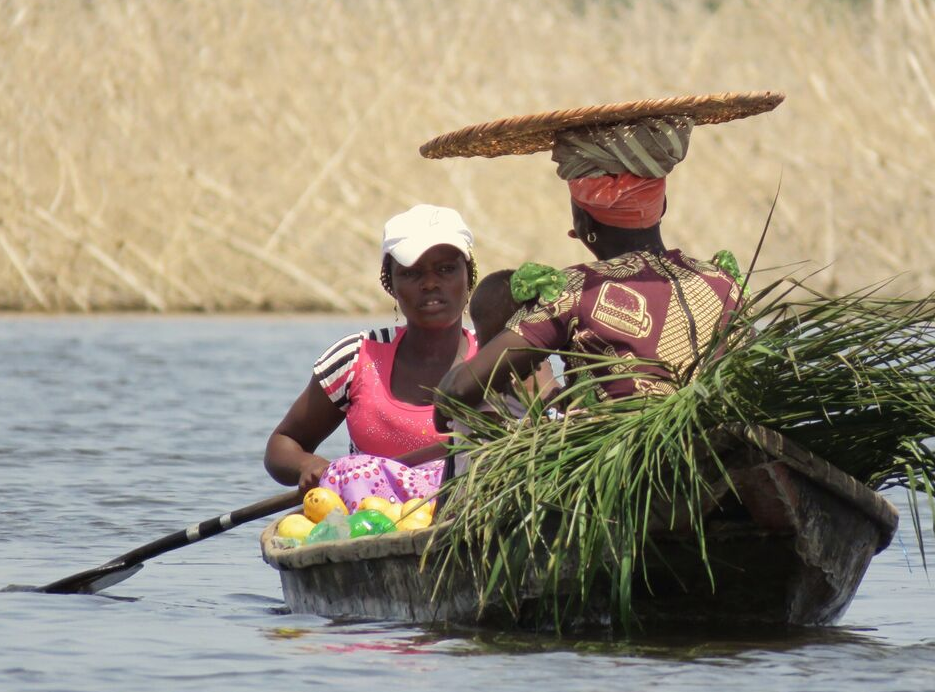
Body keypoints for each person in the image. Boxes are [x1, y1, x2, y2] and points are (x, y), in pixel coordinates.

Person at [434, 114, 743, 429]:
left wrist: (445, 404)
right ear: (661, 206)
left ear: (584, 220)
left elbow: (457, 392)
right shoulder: (722, 281)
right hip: (720, 446)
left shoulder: (578, 289)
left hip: (629, 455)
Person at [264, 204, 479, 508]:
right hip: (370, 521)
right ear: (390, 284)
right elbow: (283, 444)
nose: (430, 283)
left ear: (469, 275)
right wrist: (308, 466)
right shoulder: (355, 359)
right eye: (411, 273)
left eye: (446, 269)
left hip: (471, 515)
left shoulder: (503, 358)